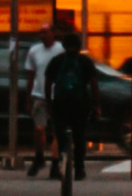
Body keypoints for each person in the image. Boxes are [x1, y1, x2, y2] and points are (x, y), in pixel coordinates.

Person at [43, 32, 97, 181]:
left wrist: (49, 105)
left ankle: (62, 163)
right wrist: (96, 106)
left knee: (60, 137)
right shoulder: (85, 61)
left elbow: (47, 84)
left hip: (60, 105)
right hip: (80, 105)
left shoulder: (56, 61)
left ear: (64, 46)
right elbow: (94, 85)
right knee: (79, 136)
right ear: (79, 47)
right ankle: (79, 169)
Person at [24, 25, 65, 178]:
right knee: (39, 129)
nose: (43, 35)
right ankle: (39, 156)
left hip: (56, 96)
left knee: (55, 131)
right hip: (39, 94)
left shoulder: (61, 50)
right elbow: (30, 76)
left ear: (53, 33)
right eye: (40, 32)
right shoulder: (34, 51)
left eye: (46, 32)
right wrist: (28, 99)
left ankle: (55, 163)